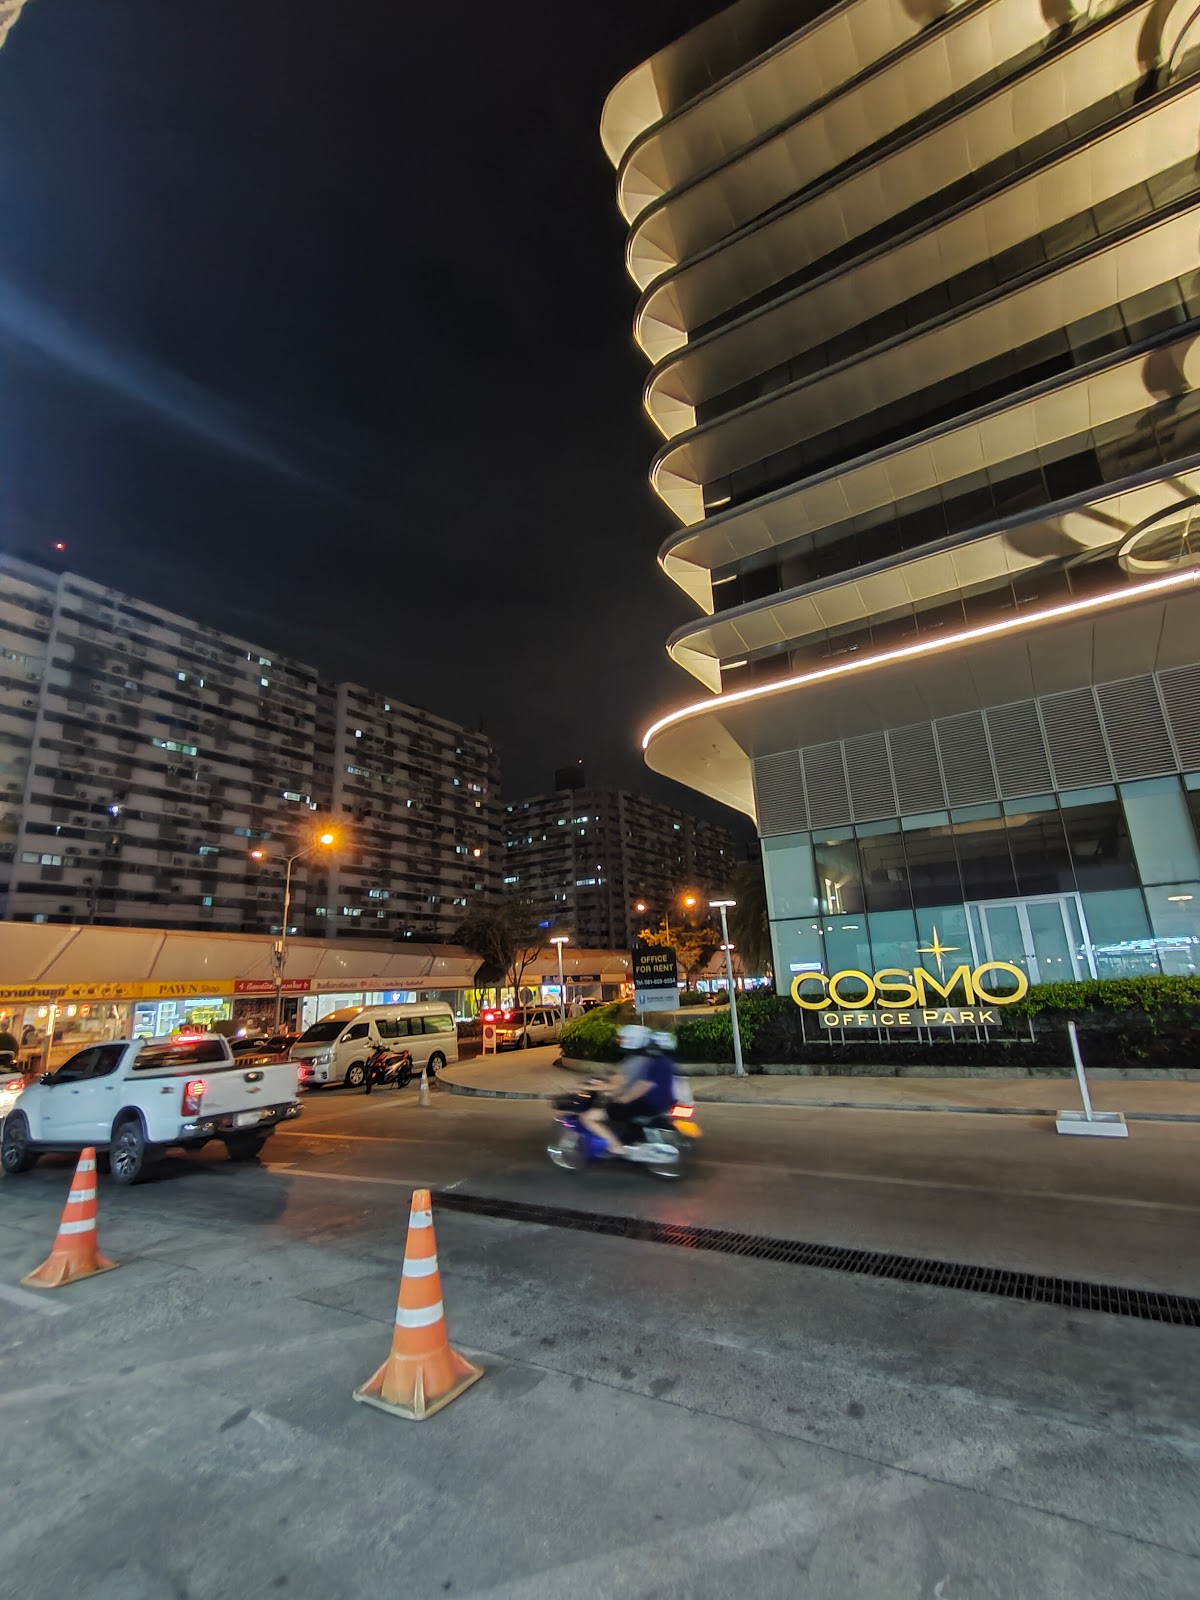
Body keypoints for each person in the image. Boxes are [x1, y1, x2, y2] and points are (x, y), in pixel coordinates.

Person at [580, 1024, 677, 1156]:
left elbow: (642, 1085)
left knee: (588, 1117)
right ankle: (630, 1139)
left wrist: (623, 1098)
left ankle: (616, 1146)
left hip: (649, 1103)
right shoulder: (662, 1060)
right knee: (616, 1106)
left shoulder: (644, 1062)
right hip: (663, 1102)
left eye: (622, 1039)